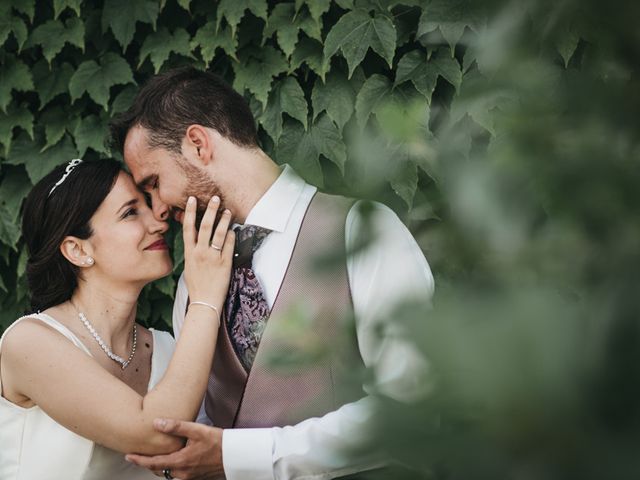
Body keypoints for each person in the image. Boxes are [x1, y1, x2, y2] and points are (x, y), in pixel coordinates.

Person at [110, 67, 434, 480]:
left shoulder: (364, 230)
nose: (157, 210)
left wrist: (241, 455)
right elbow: (207, 419)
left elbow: (411, 411)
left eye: (154, 182)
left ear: (197, 143)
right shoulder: (198, 276)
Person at [0, 158, 235, 479]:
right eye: (130, 212)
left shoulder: (171, 349)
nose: (160, 223)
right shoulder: (29, 342)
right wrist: (206, 299)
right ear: (77, 250)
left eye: (148, 205)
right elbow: (156, 435)